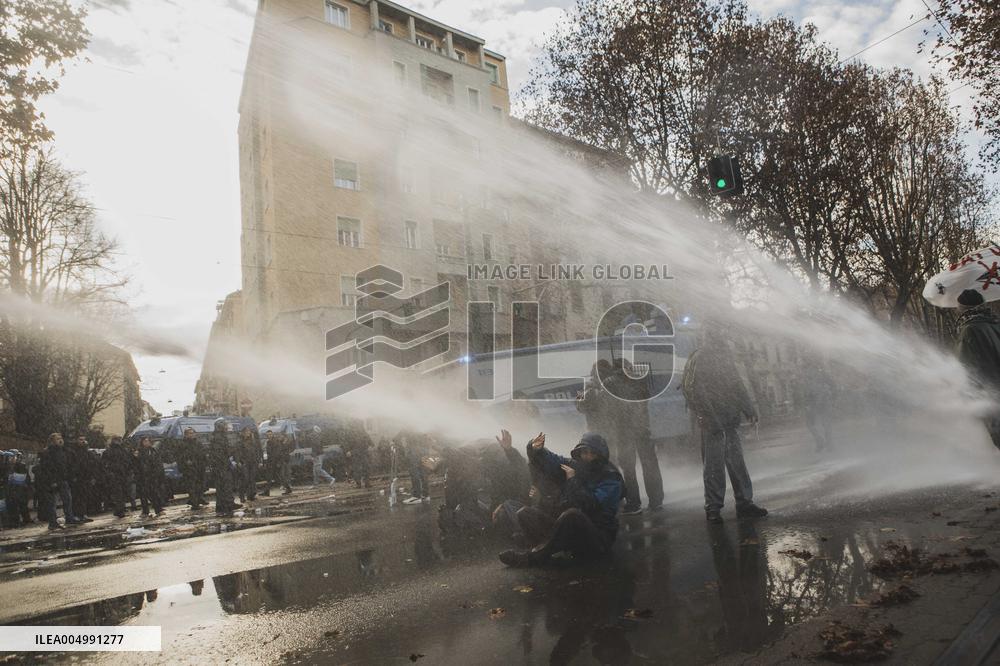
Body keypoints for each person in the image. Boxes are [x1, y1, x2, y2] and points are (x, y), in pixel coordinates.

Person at [682, 325, 768, 524]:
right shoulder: (700, 357)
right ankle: (713, 508)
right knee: (714, 466)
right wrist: (706, 416)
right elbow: (694, 389)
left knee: (736, 462)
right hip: (712, 422)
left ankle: (744, 503)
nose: (723, 339)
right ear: (713, 337)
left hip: (728, 419)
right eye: (720, 335)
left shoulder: (724, 357)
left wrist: (749, 409)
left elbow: (736, 384)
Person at [498, 432, 624, 567]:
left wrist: (572, 480)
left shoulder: (611, 477)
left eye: (593, 453)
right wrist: (536, 449)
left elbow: (589, 505)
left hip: (597, 536)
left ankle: (533, 557)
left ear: (601, 454)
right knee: (524, 513)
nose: (588, 456)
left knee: (572, 515)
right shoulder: (577, 466)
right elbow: (553, 461)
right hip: (572, 534)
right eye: (584, 452)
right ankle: (543, 548)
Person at [604, 359, 664, 514]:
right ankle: (656, 501)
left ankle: (633, 503)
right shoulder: (639, 379)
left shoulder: (609, 382)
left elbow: (607, 408)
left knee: (628, 468)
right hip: (642, 428)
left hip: (623, 431)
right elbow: (646, 398)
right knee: (650, 464)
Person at [954, 288, 1000, 450]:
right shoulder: (996, 323)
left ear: (962, 309)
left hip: (991, 395)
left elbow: (964, 369)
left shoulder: (970, 330)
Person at [45, 433, 84, 525]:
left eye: (61, 438)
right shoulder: (48, 452)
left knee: (67, 500)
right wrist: (52, 480)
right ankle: (53, 522)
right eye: (57, 438)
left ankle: (69, 518)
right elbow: (47, 468)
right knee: (52, 502)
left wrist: (70, 476)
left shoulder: (64, 451)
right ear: (52, 441)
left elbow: (68, 465)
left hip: (63, 479)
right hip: (53, 480)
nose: (60, 440)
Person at [210, 418, 240, 514]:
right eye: (225, 425)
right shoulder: (219, 438)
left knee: (222, 487)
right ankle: (227, 505)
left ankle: (222, 506)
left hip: (220, 465)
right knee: (225, 486)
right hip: (221, 466)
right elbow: (221, 453)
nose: (227, 427)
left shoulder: (218, 436)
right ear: (220, 426)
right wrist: (232, 450)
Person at [103, 436, 132, 518]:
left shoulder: (110, 451)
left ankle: (119, 509)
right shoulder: (122, 451)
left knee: (119, 494)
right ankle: (120, 509)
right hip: (119, 475)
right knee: (120, 493)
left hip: (117, 475)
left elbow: (104, 464)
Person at [136, 436, 166, 516]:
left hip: (152, 476)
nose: (146, 442)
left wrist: (157, 473)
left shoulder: (153, 451)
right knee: (143, 495)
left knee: (154, 493)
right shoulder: (139, 452)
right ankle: (145, 511)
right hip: (142, 476)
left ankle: (158, 509)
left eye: (148, 441)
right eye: (145, 441)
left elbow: (158, 462)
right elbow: (136, 464)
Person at [179, 427, 208, 509]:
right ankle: (194, 502)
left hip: (199, 466)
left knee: (200, 484)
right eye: (190, 433)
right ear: (186, 435)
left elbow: (202, 452)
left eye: (193, 433)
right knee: (192, 486)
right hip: (190, 468)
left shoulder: (197, 443)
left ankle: (199, 498)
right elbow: (181, 456)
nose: (192, 435)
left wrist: (204, 461)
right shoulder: (183, 444)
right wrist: (186, 461)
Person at [261, 430, 292, 496]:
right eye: (268, 435)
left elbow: (278, 453)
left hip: (277, 462)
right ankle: (267, 491)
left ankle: (288, 489)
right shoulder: (268, 442)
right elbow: (269, 453)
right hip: (272, 462)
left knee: (280, 477)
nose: (269, 436)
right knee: (270, 477)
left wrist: (278, 462)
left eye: (270, 434)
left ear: (272, 434)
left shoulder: (276, 442)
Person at [236, 426, 261, 502]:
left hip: (253, 462)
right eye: (247, 431)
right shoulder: (240, 441)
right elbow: (237, 452)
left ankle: (251, 495)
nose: (248, 433)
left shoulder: (252, 441)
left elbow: (256, 451)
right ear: (243, 433)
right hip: (244, 462)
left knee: (251, 479)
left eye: (249, 431)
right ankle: (242, 496)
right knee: (244, 480)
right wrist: (238, 461)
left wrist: (258, 461)